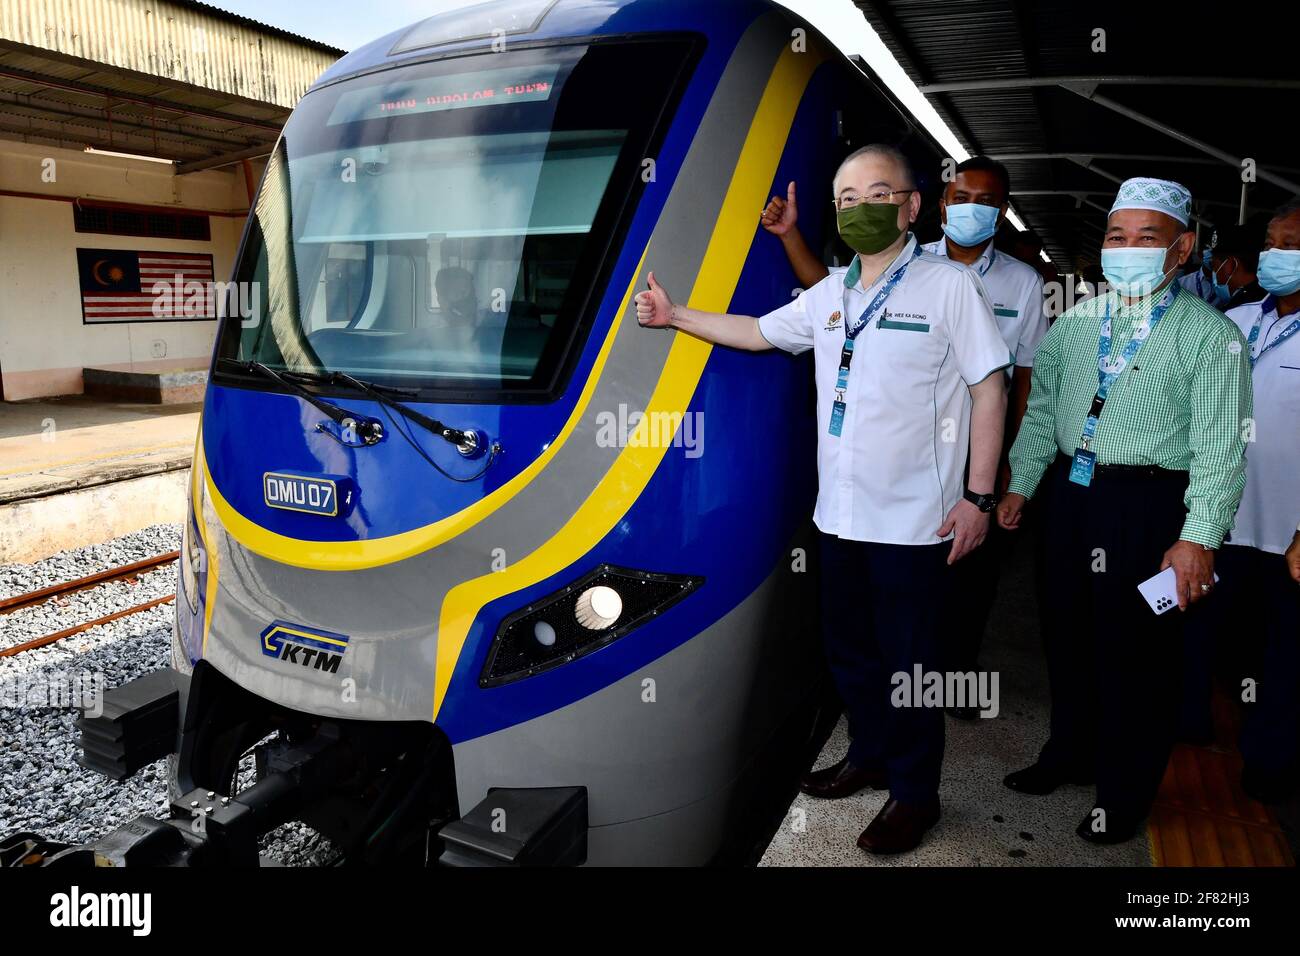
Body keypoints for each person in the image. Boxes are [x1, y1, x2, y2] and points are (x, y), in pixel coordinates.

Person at [636, 144, 1010, 854]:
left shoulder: (946, 289)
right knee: (850, 653)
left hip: (916, 525)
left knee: (914, 670)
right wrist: (675, 314)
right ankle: (868, 756)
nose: (857, 207)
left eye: (876, 193)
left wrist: (980, 499)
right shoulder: (831, 292)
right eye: (844, 197)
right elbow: (754, 333)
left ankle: (914, 794)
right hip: (838, 519)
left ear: (909, 206)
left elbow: (990, 388)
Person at [996, 177, 1253, 845]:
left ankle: (1124, 791)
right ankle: (1068, 753)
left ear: (1183, 248)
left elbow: (1223, 446)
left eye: (1148, 238)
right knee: (1068, 635)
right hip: (1073, 497)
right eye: (1117, 236)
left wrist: (1199, 538)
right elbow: (1044, 410)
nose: (1128, 249)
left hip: (1151, 506)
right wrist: (1022, 484)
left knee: (1137, 656)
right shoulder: (1075, 323)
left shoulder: (1211, 335)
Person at [762, 158, 1047, 711]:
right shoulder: (900, 260)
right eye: (963, 197)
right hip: (903, 460)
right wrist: (790, 234)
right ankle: (884, 736)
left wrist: (1006, 471)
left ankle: (953, 688)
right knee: (882, 624)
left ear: (1004, 212)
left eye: (988, 201)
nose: (972, 209)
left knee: (963, 594)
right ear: (939, 205)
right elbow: (829, 300)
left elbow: (1021, 380)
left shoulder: (1022, 282)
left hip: (975, 456)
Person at [1213, 199, 1300, 801]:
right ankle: (1199, 726)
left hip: (1290, 536)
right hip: (1222, 522)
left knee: (1287, 656)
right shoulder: (1238, 321)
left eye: (1290, 246)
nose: (1274, 256)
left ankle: (1270, 763)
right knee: (1211, 635)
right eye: (1271, 244)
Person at [1178, 223, 1263, 310]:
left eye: (1215, 266)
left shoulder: (1239, 309)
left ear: (1232, 265)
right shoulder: (1260, 298)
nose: (1214, 273)